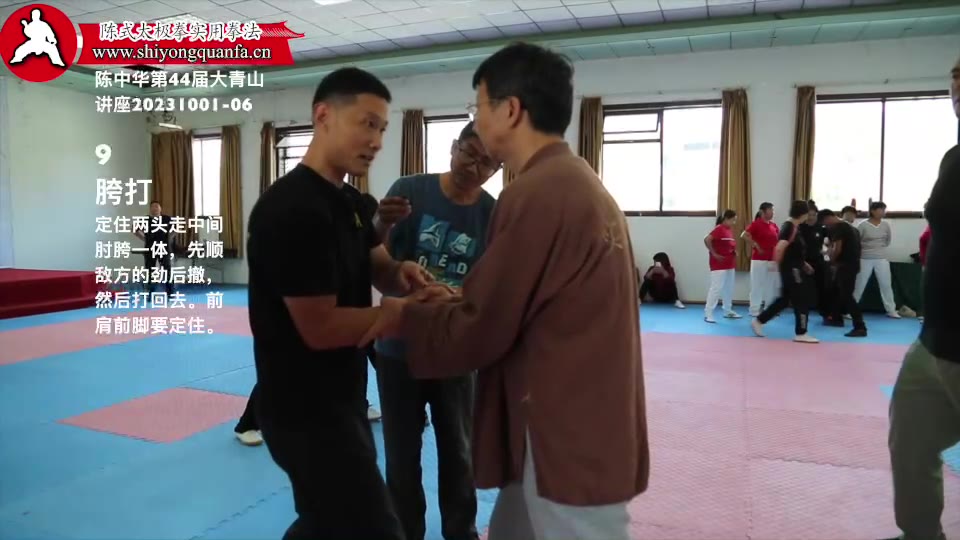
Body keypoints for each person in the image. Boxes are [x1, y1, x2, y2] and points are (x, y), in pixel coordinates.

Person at [362, 42, 648, 540]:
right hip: (572, 405)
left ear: (509, 110)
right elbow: (514, 301)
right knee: (513, 523)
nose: (477, 119)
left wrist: (403, 315)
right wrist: (451, 303)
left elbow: (488, 318)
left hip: (562, 417)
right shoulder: (573, 182)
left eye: (479, 105)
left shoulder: (535, 194)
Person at [245, 67, 433, 540]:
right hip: (302, 410)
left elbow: (379, 267)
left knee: (326, 524)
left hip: (343, 397)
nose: (376, 141)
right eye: (367, 124)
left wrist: (404, 275)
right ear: (323, 115)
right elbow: (320, 327)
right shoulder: (292, 210)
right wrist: (397, 315)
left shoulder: (351, 201)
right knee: (375, 529)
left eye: (382, 129)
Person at [373, 121, 498, 540]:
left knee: (459, 453)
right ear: (454, 146)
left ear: (497, 169)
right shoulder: (410, 190)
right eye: (469, 153)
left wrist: (458, 298)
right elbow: (376, 264)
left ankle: (461, 533)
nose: (473, 167)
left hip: (455, 353)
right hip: (398, 348)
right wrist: (379, 225)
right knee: (401, 456)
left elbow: (493, 288)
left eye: (486, 163)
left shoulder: (492, 214)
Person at [882, 55, 960, 540]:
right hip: (934, 340)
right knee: (909, 440)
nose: (957, 92)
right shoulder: (954, 157)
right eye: (955, 83)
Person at [750, 200, 818, 343]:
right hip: (792, 270)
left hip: (794, 267)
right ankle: (801, 333)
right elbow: (780, 248)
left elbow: (792, 251)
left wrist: (804, 264)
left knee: (784, 300)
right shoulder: (789, 227)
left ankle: (759, 321)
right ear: (803, 214)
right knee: (801, 299)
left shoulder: (793, 227)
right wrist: (776, 264)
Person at [821, 210, 867, 338]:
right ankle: (836, 318)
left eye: (825, 223)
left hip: (845, 266)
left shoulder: (839, 227)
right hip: (852, 264)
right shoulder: (851, 228)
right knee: (836, 291)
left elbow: (837, 248)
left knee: (847, 296)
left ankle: (860, 326)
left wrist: (831, 262)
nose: (826, 226)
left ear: (828, 218)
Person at [854, 201, 900, 318]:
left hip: (881, 259)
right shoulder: (863, 225)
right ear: (873, 211)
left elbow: (887, 241)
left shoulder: (885, 225)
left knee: (886, 285)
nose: (883, 212)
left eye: (884, 209)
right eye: (881, 209)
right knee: (859, 284)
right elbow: (856, 242)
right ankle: (851, 309)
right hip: (864, 258)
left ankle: (891, 310)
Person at [742, 202, 779, 317]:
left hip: (772, 259)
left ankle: (769, 309)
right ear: (762, 212)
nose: (772, 212)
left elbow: (778, 240)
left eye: (773, 210)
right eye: (770, 210)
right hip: (759, 260)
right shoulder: (756, 224)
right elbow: (744, 235)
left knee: (771, 285)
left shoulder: (773, 225)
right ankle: (754, 310)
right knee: (757, 285)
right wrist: (756, 245)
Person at [704, 209, 741, 323]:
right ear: (726, 219)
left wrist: (734, 251)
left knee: (728, 288)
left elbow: (728, 245)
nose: (734, 222)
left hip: (729, 264)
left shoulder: (728, 230)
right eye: (733, 220)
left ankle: (727, 310)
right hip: (719, 265)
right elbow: (707, 239)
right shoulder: (719, 229)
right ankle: (708, 313)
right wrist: (714, 253)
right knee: (716, 288)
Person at [134, 200, 175, 296]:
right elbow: (134, 229)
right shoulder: (145, 219)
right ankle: (149, 292)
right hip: (150, 248)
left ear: (160, 209)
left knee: (167, 269)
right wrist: (144, 238)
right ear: (150, 209)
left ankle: (170, 292)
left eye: (157, 206)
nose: (155, 208)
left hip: (164, 247)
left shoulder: (166, 219)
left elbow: (176, 229)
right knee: (150, 270)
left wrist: (169, 238)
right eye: (153, 206)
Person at [798, 201, 828, 319]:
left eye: (813, 215)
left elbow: (829, 241)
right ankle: (802, 312)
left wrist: (827, 251)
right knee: (802, 288)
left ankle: (824, 311)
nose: (811, 217)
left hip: (818, 260)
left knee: (822, 286)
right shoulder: (800, 227)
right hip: (804, 261)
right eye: (809, 215)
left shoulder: (821, 227)